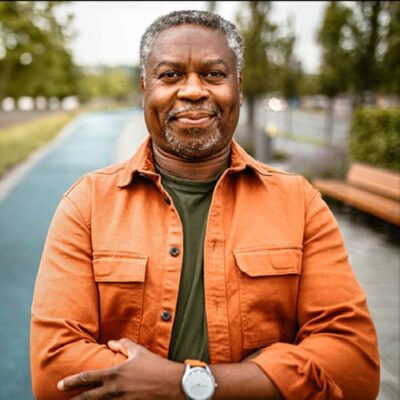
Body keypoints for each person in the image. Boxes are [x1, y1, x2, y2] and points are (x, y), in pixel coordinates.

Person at [30, 10, 380, 400]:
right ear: (145, 88)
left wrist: (183, 385)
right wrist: (267, 378)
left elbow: (355, 368)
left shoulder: (299, 202)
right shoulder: (87, 205)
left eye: (214, 74)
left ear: (239, 87)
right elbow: (54, 372)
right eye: (170, 75)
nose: (193, 90)